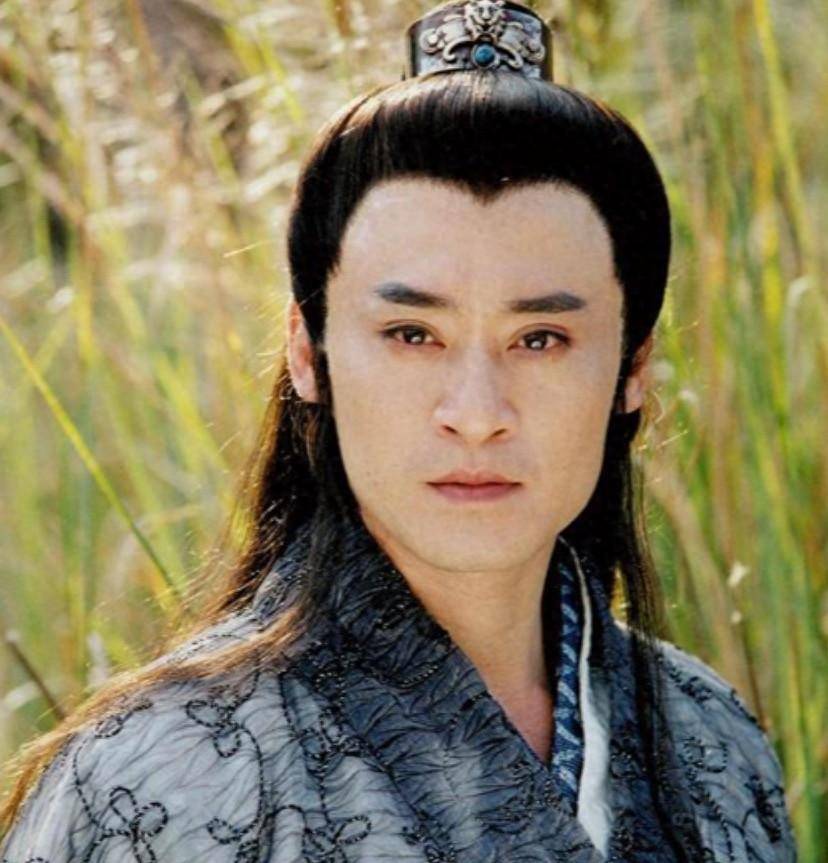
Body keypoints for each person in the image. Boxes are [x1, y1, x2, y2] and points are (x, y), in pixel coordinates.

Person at [0, 1, 797, 860]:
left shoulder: (714, 740)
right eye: (413, 334)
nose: (477, 412)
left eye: (540, 338)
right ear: (308, 353)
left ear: (632, 368)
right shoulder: (157, 772)